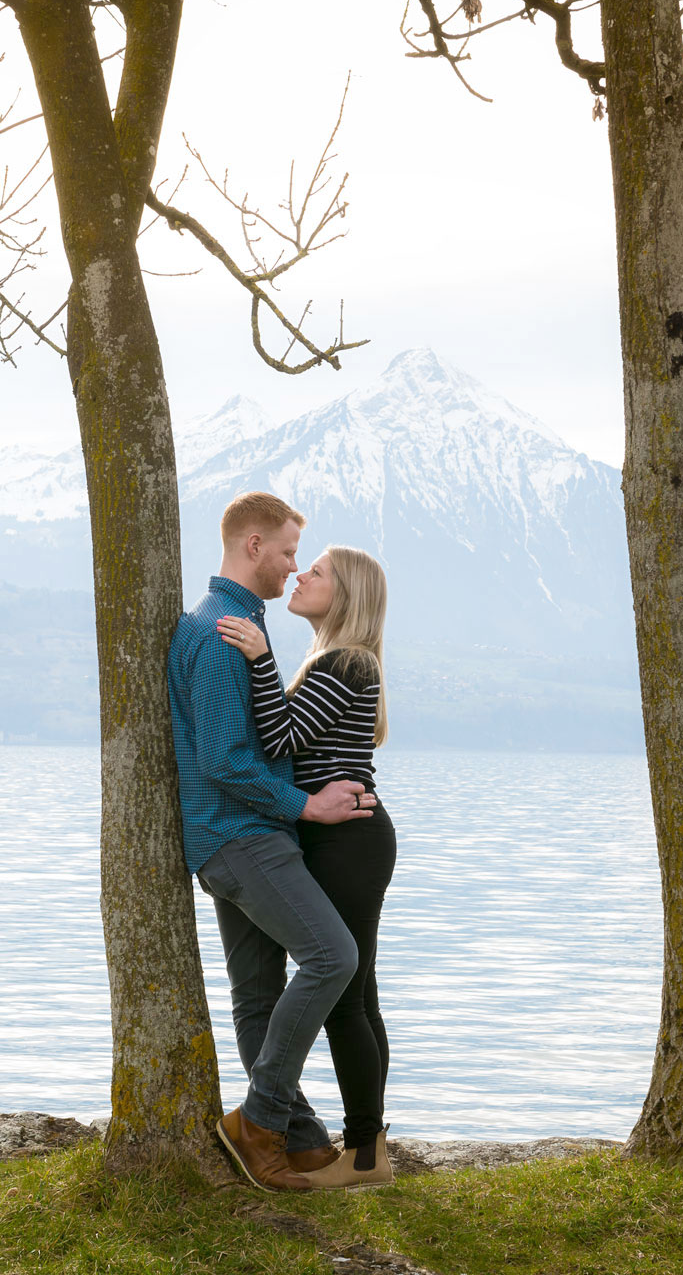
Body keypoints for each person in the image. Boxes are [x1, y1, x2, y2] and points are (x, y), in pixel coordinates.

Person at [165, 491, 377, 1193]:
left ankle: (299, 1139)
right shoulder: (224, 629)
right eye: (287, 551)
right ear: (253, 546)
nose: (292, 568)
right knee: (332, 956)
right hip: (243, 837)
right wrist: (306, 806)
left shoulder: (239, 625)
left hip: (233, 839)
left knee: (257, 996)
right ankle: (258, 1123)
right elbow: (228, 760)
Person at [217, 544, 396, 1188]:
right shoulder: (336, 660)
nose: (299, 574)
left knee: (347, 995)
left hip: (347, 841)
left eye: (315, 572)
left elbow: (280, 738)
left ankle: (365, 1152)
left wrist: (260, 662)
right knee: (358, 992)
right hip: (345, 837)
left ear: (343, 596)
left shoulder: (343, 662)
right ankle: (367, 1145)